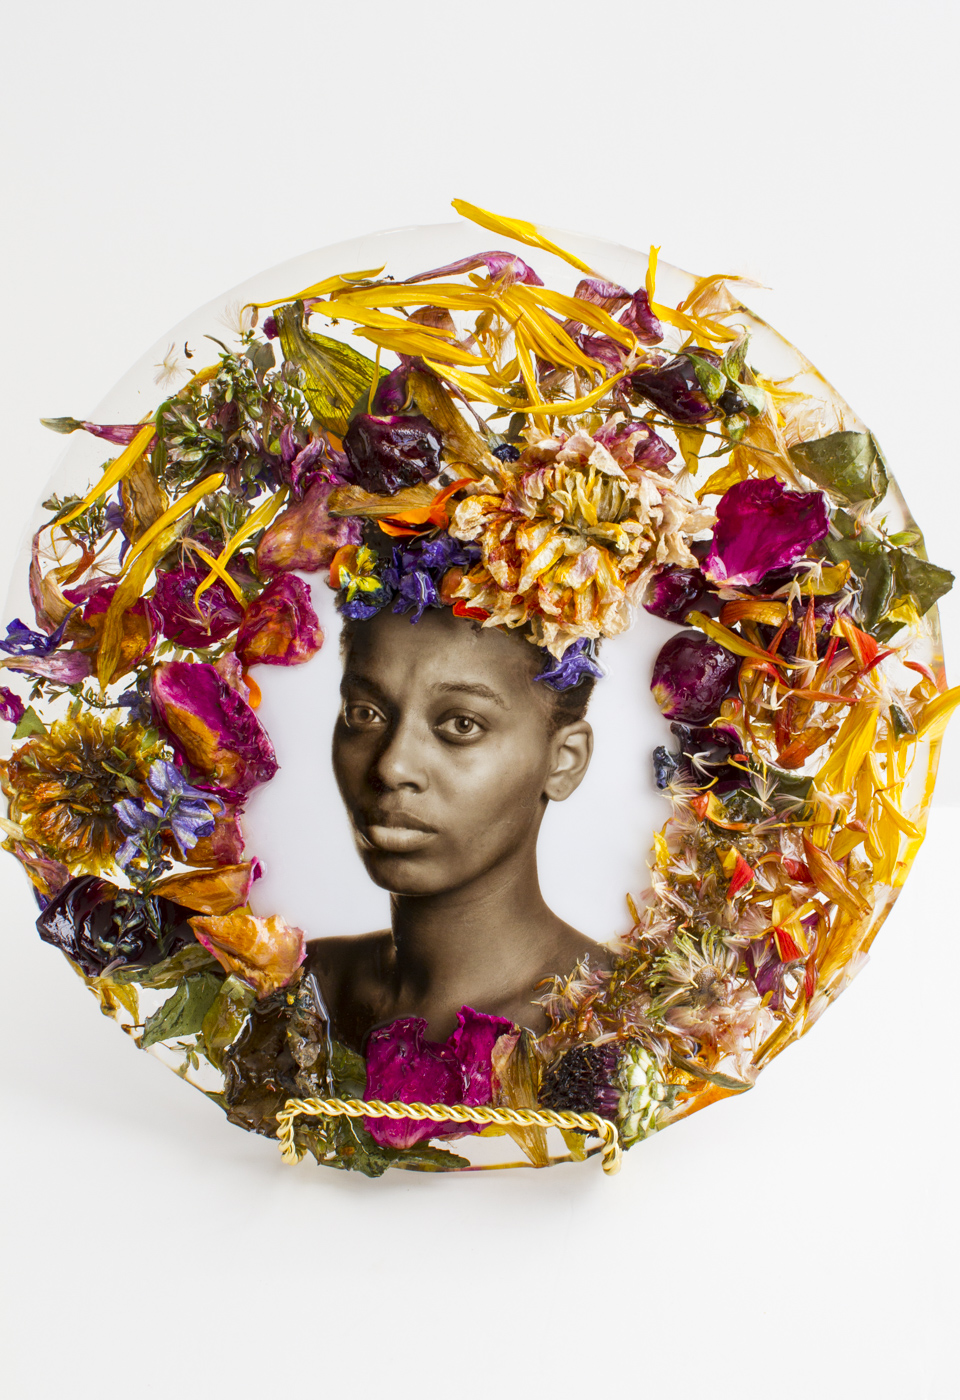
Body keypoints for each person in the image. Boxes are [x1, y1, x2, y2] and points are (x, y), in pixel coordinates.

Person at [305, 603, 609, 1051]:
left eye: (461, 724)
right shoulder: (301, 987)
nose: (391, 767)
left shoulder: (620, 1024)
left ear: (563, 761)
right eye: (365, 713)